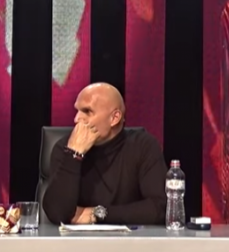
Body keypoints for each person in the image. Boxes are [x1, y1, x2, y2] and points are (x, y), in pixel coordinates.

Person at [42, 82, 167, 225]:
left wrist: (97, 214)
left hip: (130, 238)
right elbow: (57, 214)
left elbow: (160, 208)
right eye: (77, 111)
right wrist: (74, 154)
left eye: (87, 111)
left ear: (114, 118)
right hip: (76, 239)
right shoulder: (65, 147)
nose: (77, 119)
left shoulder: (143, 146)